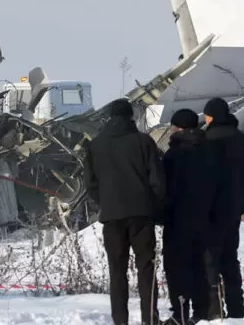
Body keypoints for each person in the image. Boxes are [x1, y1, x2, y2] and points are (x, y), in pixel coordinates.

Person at [83, 98, 166, 325]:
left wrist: (107, 202)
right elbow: (157, 181)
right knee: (146, 268)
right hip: (141, 214)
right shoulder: (144, 142)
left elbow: (90, 184)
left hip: (111, 217)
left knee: (117, 272)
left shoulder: (95, 145)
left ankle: (120, 321)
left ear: (109, 117)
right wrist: (154, 206)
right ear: (132, 116)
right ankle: (150, 319)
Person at [160, 109, 220, 325]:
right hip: (206, 219)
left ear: (177, 127)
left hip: (178, 220)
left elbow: (164, 189)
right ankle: (203, 311)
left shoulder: (172, 155)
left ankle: (181, 313)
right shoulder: (211, 152)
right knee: (202, 265)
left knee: (177, 267)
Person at [202, 97, 244, 320]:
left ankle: (214, 310)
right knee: (230, 260)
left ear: (212, 116)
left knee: (210, 261)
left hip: (210, 211)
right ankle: (237, 310)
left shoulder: (205, 141)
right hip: (233, 210)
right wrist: (242, 205)